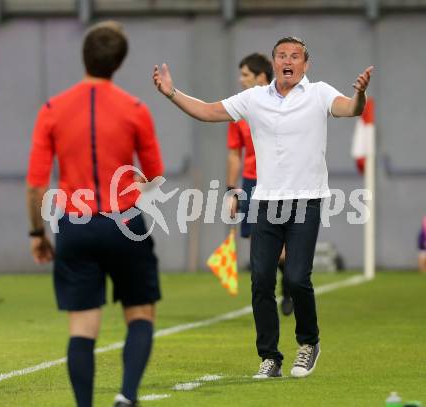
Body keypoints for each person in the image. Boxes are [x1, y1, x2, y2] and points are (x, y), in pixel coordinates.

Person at [153, 36, 372, 379]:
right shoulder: (254, 98)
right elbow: (209, 111)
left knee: (298, 278)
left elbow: (350, 108)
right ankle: (270, 357)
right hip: (265, 201)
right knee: (261, 281)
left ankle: (308, 343)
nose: (288, 60)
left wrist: (359, 94)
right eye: (282, 55)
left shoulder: (319, 94)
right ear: (273, 63)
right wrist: (171, 92)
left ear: (305, 64)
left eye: (295, 56)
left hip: (306, 201)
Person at [26, 21, 164, 407]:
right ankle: (127, 396)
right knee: (140, 313)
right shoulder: (135, 109)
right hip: (123, 223)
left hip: (75, 226)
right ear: (118, 63)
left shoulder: (52, 109)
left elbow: (36, 185)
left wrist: (37, 234)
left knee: (82, 326)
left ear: (83, 55)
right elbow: (154, 173)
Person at [226, 52, 293, 316]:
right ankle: (266, 296)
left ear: (261, 77)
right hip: (252, 182)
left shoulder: (284, 105)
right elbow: (234, 154)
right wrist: (232, 191)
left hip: (280, 181)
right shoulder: (238, 110)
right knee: (258, 246)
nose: (240, 80)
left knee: (282, 251)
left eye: (245, 75)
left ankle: (289, 289)